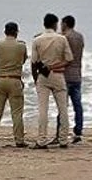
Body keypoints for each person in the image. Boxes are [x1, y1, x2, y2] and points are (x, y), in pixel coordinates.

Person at [31, 13, 74, 149]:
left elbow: (34, 62)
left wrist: (36, 78)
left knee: (43, 109)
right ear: (55, 24)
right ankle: (63, 139)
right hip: (58, 75)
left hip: (43, 76)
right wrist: (56, 66)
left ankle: (42, 139)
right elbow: (69, 59)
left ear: (44, 24)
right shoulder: (61, 39)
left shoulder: (37, 40)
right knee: (63, 109)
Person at [0, 22, 28, 149]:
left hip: (0, 79)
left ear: (5, 32)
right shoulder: (21, 46)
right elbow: (23, 60)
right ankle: (19, 140)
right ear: (16, 32)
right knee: (16, 113)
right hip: (15, 80)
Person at [51, 15, 85, 145]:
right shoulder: (80, 37)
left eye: (62, 23)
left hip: (65, 76)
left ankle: (60, 134)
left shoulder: (64, 37)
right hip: (77, 75)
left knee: (62, 107)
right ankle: (78, 132)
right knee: (78, 105)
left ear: (65, 24)